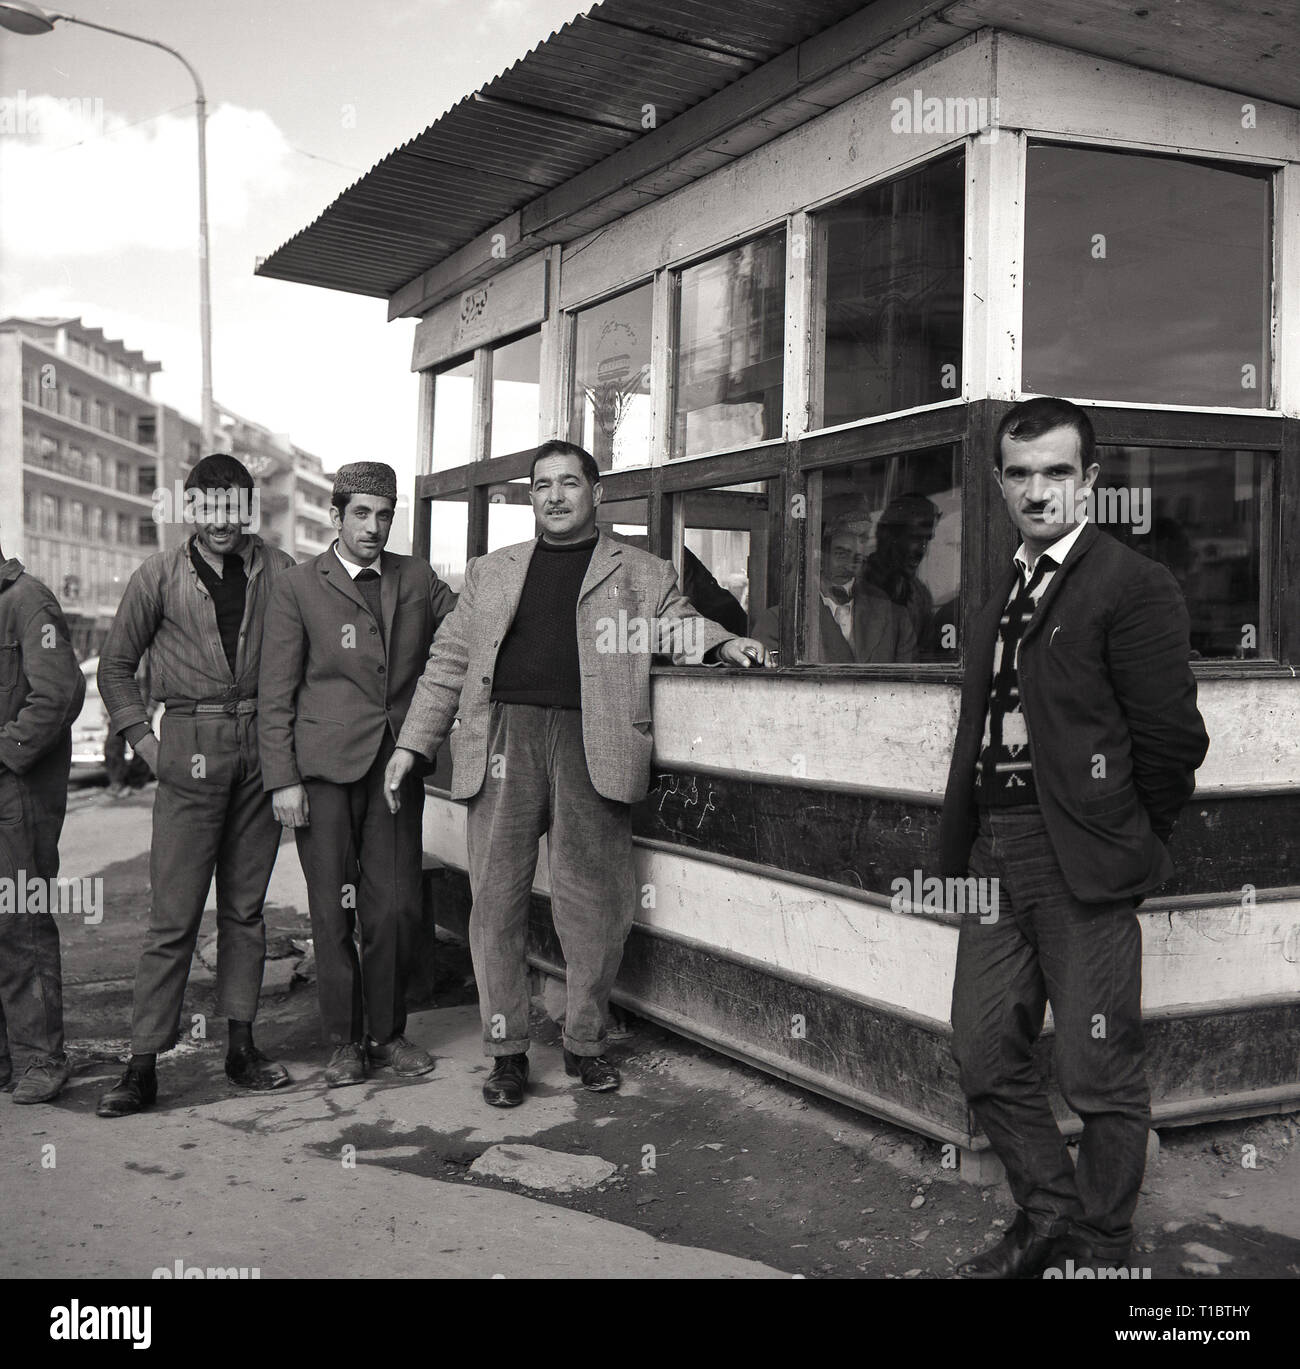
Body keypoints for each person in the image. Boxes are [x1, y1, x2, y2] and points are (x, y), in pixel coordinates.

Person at [383, 440, 767, 1107]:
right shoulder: (491, 571)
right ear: (530, 496)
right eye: (540, 486)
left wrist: (723, 641)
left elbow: (677, 626)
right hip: (505, 736)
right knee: (496, 900)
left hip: (595, 741)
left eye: (567, 483)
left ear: (597, 493)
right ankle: (506, 1052)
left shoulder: (642, 571)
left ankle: (585, 1041)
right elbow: (447, 662)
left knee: (592, 904)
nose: (554, 496)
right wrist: (411, 745)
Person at [939, 397, 1209, 1279]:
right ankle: (1049, 1212)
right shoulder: (997, 600)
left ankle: (1100, 1244)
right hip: (993, 854)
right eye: (1019, 473)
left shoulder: (1131, 584)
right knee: (982, 1050)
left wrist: (1123, 835)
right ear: (999, 484)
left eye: (1057, 471)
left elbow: (1173, 744)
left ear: (1089, 481)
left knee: (1098, 1070)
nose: (1037, 490)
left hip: (1081, 858)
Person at [96, 456, 297, 1118]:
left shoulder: (281, 571)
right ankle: (143, 1065)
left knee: (245, 910)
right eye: (207, 507)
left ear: (249, 508)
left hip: (261, 746)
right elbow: (116, 667)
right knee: (173, 915)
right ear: (190, 511)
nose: (221, 520)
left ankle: (242, 1048)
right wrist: (150, 747)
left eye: (233, 506)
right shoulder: (157, 576)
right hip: (189, 743)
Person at [259, 462, 456, 1088]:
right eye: (362, 514)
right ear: (338, 516)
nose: (375, 527)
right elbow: (275, 691)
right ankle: (345, 1042)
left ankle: (388, 1033)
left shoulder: (417, 576)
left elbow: (472, 624)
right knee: (330, 909)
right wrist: (281, 780)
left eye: (385, 515)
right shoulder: (296, 587)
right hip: (322, 771)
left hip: (397, 768)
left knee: (395, 906)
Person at [0, 542, 86, 1104]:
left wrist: (5, 749)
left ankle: (41, 1059)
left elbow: (59, 694)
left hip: (18, 788)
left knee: (18, 921)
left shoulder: (28, 601)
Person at [752, 522, 915, 663]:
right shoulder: (778, 621)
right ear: (820, 557)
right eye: (841, 555)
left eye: (857, 558)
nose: (849, 565)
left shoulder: (895, 619)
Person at [860, 493, 940, 654]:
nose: (922, 551)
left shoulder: (920, 597)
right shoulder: (855, 585)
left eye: (927, 540)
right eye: (915, 538)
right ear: (887, 536)